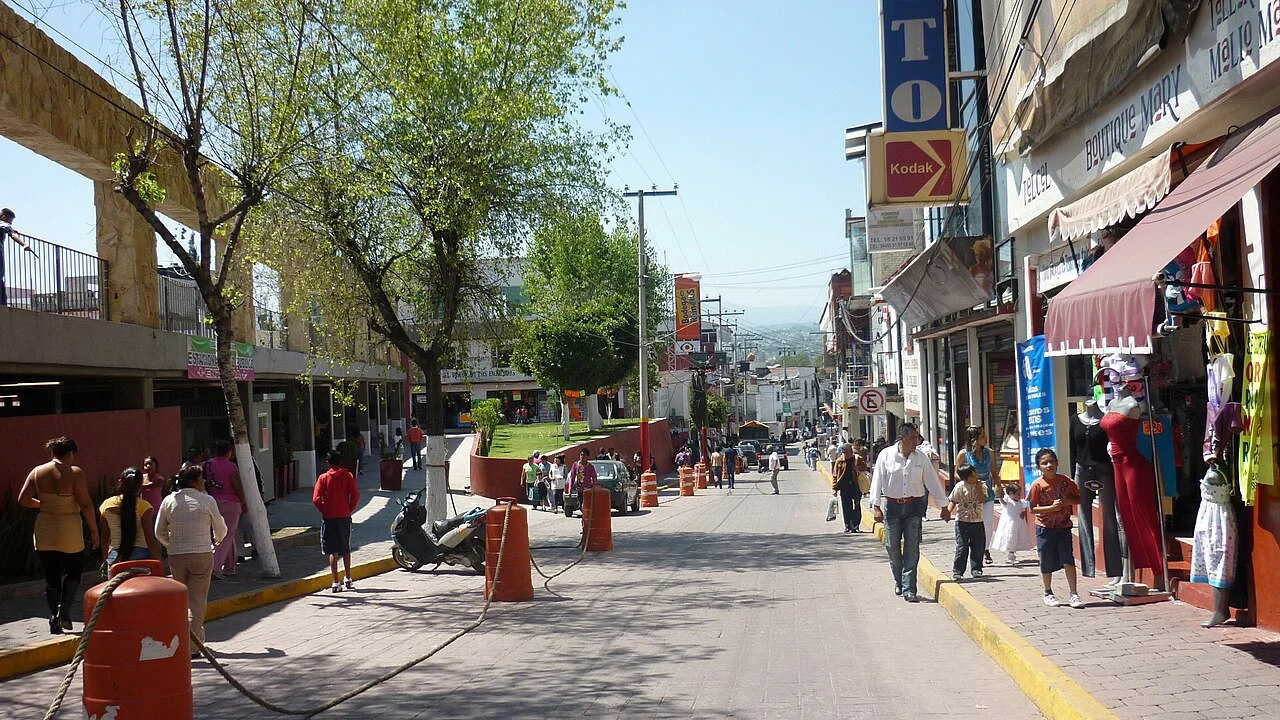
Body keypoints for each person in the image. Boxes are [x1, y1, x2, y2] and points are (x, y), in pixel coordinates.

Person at [19, 437, 99, 634]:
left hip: (45, 528)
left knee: (51, 577)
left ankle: (53, 617)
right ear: (70, 453)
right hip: (69, 527)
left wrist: (44, 504)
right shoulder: (74, 473)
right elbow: (86, 504)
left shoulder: (37, 472)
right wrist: (94, 530)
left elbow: (23, 499)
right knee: (73, 571)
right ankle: (65, 610)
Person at [869, 423, 950, 602]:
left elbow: (932, 481)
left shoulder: (920, 458)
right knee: (892, 546)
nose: (917, 440)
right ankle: (899, 579)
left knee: (912, 548)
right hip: (892, 507)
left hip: (914, 506)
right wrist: (876, 506)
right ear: (903, 437)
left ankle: (909, 588)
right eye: (914, 437)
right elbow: (877, 481)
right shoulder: (886, 455)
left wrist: (944, 506)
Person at [155, 464, 226, 650]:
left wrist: (170, 544)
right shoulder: (207, 501)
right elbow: (220, 528)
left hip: (177, 556)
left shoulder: (169, 501)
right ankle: (193, 646)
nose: (204, 481)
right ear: (194, 481)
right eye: (201, 478)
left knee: (183, 600)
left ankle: (191, 639)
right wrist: (217, 540)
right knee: (197, 600)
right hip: (201, 553)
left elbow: (158, 531)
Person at [1028, 448, 1085, 609]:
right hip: (1044, 529)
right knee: (1046, 561)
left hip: (1064, 527)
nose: (1049, 465)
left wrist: (1067, 502)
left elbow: (1078, 498)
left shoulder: (1066, 481)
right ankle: (1048, 592)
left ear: (1057, 463)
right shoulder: (1037, 485)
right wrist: (1050, 509)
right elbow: (1032, 509)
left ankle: (1074, 593)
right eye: (1044, 463)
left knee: (1068, 559)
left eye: (1051, 461)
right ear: (1039, 467)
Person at [313, 449, 361, 592]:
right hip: (344, 516)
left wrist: (324, 508)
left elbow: (316, 498)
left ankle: (335, 582)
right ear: (340, 462)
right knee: (345, 548)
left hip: (329, 518)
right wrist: (349, 508)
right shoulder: (348, 476)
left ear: (327, 462)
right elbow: (356, 495)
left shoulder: (323, 478)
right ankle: (348, 578)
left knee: (332, 551)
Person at [100, 467, 162, 569]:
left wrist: (105, 560)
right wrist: (159, 565)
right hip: (142, 556)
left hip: (115, 558)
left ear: (120, 482)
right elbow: (150, 539)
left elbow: (105, 538)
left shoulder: (106, 505)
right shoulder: (144, 506)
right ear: (140, 485)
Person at [955, 426, 999, 565]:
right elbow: (957, 472)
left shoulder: (989, 453)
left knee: (987, 522)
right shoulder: (964, 454)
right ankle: (975, 551)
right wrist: (967, 481)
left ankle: (985, 549)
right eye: (982, 436)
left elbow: (993, 471)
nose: (985, 439)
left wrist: (1000, 486)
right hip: (970, 494)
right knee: (973, 523)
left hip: (986, 492)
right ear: (974, 439)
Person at [203, 440, 246, 579]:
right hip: (231, 502)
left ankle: (230, 566)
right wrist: (244, 501)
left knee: (224, 533)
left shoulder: (207, 464)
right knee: (226, 535)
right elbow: (237, 484)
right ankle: (216, 567)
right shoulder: (231, 466)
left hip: (212, 501)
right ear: (229, 452)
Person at [948, 465, 988, 580]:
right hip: (962, 521)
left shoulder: (982, 485)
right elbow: (953, 500)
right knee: (962, 546)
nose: (976, 475)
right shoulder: (960, 487)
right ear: (967, 478)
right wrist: (947, 512)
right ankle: (958, 571)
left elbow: (981, 499)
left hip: (977, 521)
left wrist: (979, 487)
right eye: (973, 474)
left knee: (978, 546)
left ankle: (976, 569)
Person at [991, 482, 1035, 566]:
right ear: (1010, 493)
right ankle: (1011, 556)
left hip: (1019, 524)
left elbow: (1023, 509)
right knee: (1010, 538)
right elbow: (1003, 502)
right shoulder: (1008, 501)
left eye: (1020, 494)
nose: (1019, 495)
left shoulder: (1021, 502)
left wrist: (1022, 513)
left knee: (1016, 538)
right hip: (1010, 524)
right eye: (1017, 494)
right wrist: (1000, 494)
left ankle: (1012, 554)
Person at [0, 207, 35, 307]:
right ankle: (2, 303)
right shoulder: (4, 224)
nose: (10, 223)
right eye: (10, 221)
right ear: (3, 217)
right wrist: (24, 244)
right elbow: (12, 235)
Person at [831, 444, 862, 533]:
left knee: (856, 505)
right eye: (844, 452)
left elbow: (864, 468)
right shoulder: (839, 461)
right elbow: (835, 475)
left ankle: (855, 525)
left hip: (855, 486)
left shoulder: (857, 459)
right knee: (846, 506)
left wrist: (858, 468)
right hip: (844, 486)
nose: (846, 454)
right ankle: (847, 525)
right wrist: (834, 488)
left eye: (848, 452)